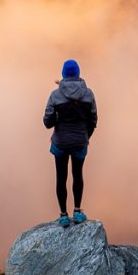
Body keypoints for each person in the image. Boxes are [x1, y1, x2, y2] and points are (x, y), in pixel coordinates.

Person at [43, 59, 98, 227]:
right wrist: (85, 136)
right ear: (78, 73)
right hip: (80, 141)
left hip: (60, 143)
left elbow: (47, 122)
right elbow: (93, 120)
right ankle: (77, 211)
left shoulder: (55, 95)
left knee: (61, 177)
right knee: (77, 175)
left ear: (63, 74)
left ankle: (63, 215)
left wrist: (58, 117)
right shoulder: (88, 94)